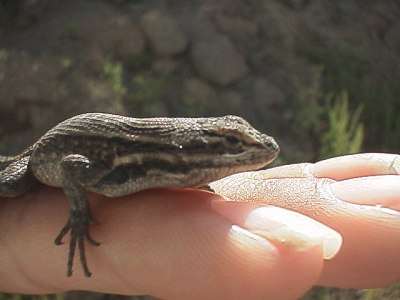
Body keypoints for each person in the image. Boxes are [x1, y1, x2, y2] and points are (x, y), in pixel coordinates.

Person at [0, 153, 399, 299]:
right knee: (11, 185)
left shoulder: (167, 170)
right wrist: (79, 213)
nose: (260, 150)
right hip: (40, 158)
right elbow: (70, 165)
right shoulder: (134, 165)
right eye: (231, 144)